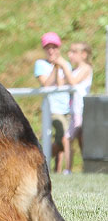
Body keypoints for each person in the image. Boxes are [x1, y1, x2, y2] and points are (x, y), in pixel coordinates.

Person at [34, 32, 71, 173]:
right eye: (48, 47)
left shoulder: (65, 64)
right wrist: (56, 68)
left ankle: (54, 167)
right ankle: (42, 161)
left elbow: (65, 83)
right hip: (52, 108)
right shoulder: (40, 64)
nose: (51, 51)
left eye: (54, 47)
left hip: (66, 107)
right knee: (64, 137)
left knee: (62, 140)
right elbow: (46, 84)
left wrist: (63, 67)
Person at [59, 43, 93, 171]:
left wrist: (63, 65)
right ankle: (87, 168)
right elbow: (61, 82)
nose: (70, 55)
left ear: (83, 54)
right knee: (81, 141)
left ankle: (68, 169)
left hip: (81, 110)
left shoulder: (86, 68)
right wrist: (58, 67)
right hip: (74, 110)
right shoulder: (74, 70)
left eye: (73, 52)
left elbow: (73, 81)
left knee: (67, 138)